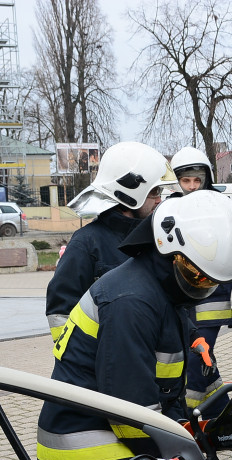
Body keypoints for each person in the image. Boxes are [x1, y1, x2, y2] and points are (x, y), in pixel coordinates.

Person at [37, 191, 232, 460]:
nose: (199, 287)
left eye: (208, 282)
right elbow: (132, 413)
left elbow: (169, 388)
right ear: (164, 247)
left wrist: (225, 426)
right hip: (86, 448)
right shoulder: (132, 303)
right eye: (194, 275)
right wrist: (185, 456)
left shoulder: (163, 288)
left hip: (108, 434)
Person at [45, 141, 172, 339]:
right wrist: (80, 358)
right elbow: (60, 313)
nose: (159, 200)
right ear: (130, 193)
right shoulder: (86, 243)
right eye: (154, 191)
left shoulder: (156, 238)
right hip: (107, 363)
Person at [170, 147, 232, 416]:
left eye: (197, 180)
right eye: (186, 181)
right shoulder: (170, 209)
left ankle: (192, 425)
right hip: (178, 306)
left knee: (196, 366)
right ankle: (223, 414)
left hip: (210, 308)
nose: (192, 187)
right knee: (196, 364)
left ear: (207, 177)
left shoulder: (222, 209)